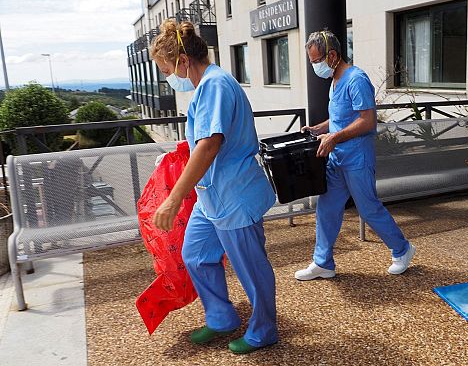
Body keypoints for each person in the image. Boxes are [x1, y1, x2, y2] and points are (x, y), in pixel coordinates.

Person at [150, 19, 277, 354]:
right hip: (213, 198)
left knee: (252, 269)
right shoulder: (208, 85)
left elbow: (210, 143)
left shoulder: (215, 85)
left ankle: (264, 330)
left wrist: (174, 198)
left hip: (234, 196)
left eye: (166, 69)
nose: (168, 78)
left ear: (182, 61)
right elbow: (202, 141)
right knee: (195, 255)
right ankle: (222, 317)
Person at [294, 30, 416, 281]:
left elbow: (367, 121)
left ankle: (403, 250)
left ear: (333, 55)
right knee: (326, 209)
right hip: (337, 157)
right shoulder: (335, 81)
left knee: (369, 209)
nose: (315, 66)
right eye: (312, 62)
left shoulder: (356, 79)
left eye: (317, 61)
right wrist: (319, 129)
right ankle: (323, 263)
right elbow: (340, 118)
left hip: (357, 158)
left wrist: (334, 137)